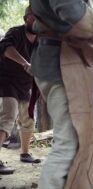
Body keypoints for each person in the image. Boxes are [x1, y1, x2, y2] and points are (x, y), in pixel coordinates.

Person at [29, 0, 93, 189]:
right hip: (61, 67)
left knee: (81, 144)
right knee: (69, 146)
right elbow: (74, 14)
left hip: (64, 64)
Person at [0, 7, 40, 175]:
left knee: (29, 118)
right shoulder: (15, 32)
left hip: (26, 84)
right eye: (36, 18)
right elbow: (5, 48)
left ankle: (25, 153)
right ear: (26, 18)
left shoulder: (42, 39)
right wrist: (24, 62)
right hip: (6, 81)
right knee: (8, 116)